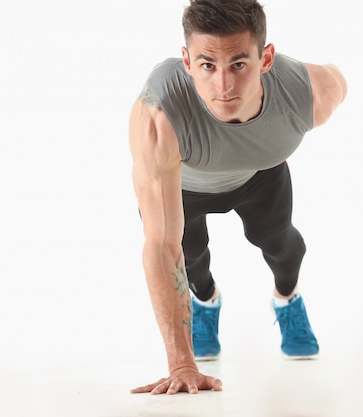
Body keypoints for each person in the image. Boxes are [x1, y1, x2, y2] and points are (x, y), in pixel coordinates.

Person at [128, 0, 347, 395]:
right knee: (190, 258)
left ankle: (286, 299)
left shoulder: (308, 93)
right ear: (187, 61)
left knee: (282, 245)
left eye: (239, 65)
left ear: (266, 59)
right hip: (184, 186)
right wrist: (181, 364)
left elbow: (337, 78)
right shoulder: (158, 114)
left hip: (259, 175)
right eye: (207, 65)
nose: (224, 86)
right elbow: (161, 245)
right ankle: (207, 303)